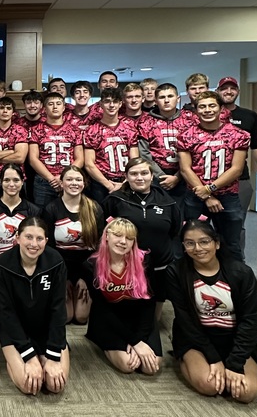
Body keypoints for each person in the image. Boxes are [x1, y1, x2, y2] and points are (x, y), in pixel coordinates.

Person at [166, 219, 257, 402]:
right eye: (190, 243)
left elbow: (251, 321)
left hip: (233, 338)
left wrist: (235, 364)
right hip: (197, 339)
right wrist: (213, 358)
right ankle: (183, 358)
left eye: (204, 242)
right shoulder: (176, 272)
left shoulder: (241, 273)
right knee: (211, 386)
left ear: (217, 243)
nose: (198, 248)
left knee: (246, 393)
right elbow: (185, 320)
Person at [0, 216, 69, 396]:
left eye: (39, 238)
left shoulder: (56, 261)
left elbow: (58, 309)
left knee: (55, 385)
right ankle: (20, 358)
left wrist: (52, 356)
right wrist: (29, 356)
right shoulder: (2, 264)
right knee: (29, 386)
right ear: (17, 238)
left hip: (45, 327)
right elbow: (7, 313)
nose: (34, 244)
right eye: (28, 237)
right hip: (14, 329)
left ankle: (43, 356)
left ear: (46, 241)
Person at [177, 91, 250, 261]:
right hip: (196, 196)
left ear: (221, 108)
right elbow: (185, 169)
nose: (207, 110)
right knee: (193, 240)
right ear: (196, 110)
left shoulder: (238, 135)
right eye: (202, 107)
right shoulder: (186, 136)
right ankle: (194, 275)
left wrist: (210, 189)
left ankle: (234, 275)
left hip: (228, 196)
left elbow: (237, 169)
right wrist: (206, 195)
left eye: (212, 106)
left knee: (231, 242)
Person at [102, 157, 182, 308]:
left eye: (144, 173)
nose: (139, 178)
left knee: (155, 309)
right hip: (125, 267)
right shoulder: (114, 200)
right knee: (127, 307)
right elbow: (105, 230)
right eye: (134, 174)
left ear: (152, 176)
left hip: (160, 266)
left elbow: (174, 231)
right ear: (126, 177)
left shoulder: (168, 202)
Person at [84, 218, 161, 375]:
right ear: (107, 236)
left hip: (140, 319)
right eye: (118, 235)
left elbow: (149, 302)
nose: (123, 242)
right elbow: (101, 309)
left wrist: (140, 340)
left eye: (129, 238)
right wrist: (134, 342)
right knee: (128, 365)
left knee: (151, 367)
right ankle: (102, 343)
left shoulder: (145, 260)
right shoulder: (91, 265)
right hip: (110, 320)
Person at [0, 163, 41, 333]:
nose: (11, 184)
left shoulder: (33, 211)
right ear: (0, 182)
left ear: (23, 182)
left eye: (16, 180)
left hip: (24, 272)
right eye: (7, 180)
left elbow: (36, 247)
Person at [44, 165, 104, 324]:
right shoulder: (51, 209)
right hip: (61, 266)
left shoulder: (95, 208)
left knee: (81, 318)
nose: (74, 183)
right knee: (66, 317)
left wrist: (85, 277)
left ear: (84, 183)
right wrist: (63, 279)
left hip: (87, 266)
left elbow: (100, 246)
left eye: (78, 179)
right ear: (61, 183)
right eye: (69, 179)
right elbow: (48, 247)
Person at [216, 75, 257, 234]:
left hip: (240, 179)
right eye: (224, 88)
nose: (229, 91)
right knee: (206, 227)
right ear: (217, 91)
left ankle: (235, 251)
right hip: (209, 179)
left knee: (236, 226)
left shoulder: (249, 116)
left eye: (232, 88)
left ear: (238, 92)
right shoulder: (208, 114)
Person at [83, 87, 139, 203]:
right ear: (101, 104)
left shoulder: (129, 129)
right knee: (101, 213)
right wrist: (109, 186)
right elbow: (89, 164)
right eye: (107, 101)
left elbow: (134, 160)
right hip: (101, 183)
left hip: (126, 181)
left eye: (115, 101)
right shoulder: (92, 130)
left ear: (120, 104)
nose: (111, 105)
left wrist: (125, 183)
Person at [137, 82, 192, 200]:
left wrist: (178, 177)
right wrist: (161, 176)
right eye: (162, 97)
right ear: (156, 101)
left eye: (170, 96)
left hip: (185, 175)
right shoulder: (145, 122)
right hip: (156, 176)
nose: (166, 100)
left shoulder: (189, 120)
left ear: (178, 99)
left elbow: (195, 151)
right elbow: (144, 153)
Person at [28, 91, 83, 207]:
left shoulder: (74, 130)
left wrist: (64, 177)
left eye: (58, 103)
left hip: (69, 180)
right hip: (43, 181)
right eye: (51, 104)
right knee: (42, 214)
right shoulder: (36, 130)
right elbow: (33, 159)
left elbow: (80, 159)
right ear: (44, 109)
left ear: (64, 107)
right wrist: (51, 178)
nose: (55, 107)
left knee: (70, 213)